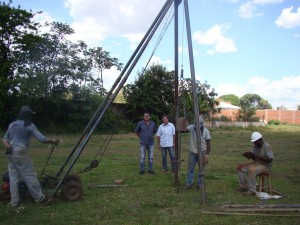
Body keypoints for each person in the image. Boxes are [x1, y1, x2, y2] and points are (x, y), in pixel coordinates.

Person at [2, 106, 60, 207]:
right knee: (30, 176)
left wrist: (7, 145)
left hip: (10, 152)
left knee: (13, 178)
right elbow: (41, 139)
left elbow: (5, 138)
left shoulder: (12, 124)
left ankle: (14, 201)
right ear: (27, 115)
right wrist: (53, 141)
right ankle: (40, 198)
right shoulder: (29, 125)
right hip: (21, 152)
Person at [237, 132, 273, 196]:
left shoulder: (267, 146)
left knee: (252, 170)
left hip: (265, 166)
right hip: (256, 164)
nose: (254, 143)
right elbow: (255, 158)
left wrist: (258, 156)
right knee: (240, 167)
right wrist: (251, 156)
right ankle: (243, 186)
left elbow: (270, 159)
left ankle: (252, 191)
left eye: (255, 142)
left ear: (260, 140)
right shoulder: (256, 146)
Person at [185, 116, 211, 189]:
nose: (196, 127)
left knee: (201, 169)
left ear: (201, 125)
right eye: (195, 125)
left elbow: (208, 143)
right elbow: (185, 130)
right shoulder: (191, 127)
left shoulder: (206, 131)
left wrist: (206, 154)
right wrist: (183, 123)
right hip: (192, 151)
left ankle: (200, 183)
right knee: (190, 168)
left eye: (198, 126)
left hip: (202, 152)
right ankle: (189, 183)